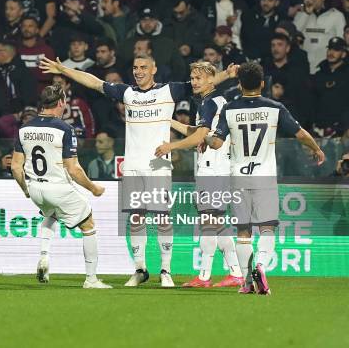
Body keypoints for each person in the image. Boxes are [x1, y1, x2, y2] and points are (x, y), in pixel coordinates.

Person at [39, 54, 238, 287]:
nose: (139, 71)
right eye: (135, 67)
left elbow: (204, 82)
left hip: (158, 165)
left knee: (163, 218)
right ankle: (140, 268)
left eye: (144, 67)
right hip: (132, 166)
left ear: (154, 69)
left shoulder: (169, 91)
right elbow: (93, 82)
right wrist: (63, 70)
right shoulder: (127, 93)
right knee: (136, 217)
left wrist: (226, 75)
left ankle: (166, 271)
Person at [207, 62, 325, 295]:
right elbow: (300, 133)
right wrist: (316, 148)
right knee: (267, 227)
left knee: (243, 230)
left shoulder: (229, 109)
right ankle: (260, 266)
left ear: (239, 84)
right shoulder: (275, 107)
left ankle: (247, 283)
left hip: (238, 176)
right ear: (262, 83)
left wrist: (206, 138)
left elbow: (217, 143)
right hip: (264, 176)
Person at [10, 84, 111, 289]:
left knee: (51, 214)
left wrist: (25, 189)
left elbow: (15, 167)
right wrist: (93, 188)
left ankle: (44, 256)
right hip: (58, 188)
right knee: (88, 225)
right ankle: (91, 279)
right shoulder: (64, 129)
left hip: (36, 188)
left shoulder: (24, 129)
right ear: (61, 103)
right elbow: (73, 170)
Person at [155, 62, 244, 288]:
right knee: (217, 224)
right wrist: (167, 120)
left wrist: (171, 147)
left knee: (207, 223)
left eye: (199, 78)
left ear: (211, 79)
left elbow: (198, 138)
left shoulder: (209, 102)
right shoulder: (214, 101)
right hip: (218, 168)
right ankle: (236, 272)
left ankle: (204, 276)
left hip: (212, 170)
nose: (194, 82)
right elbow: (197, 132)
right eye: (192, 77)